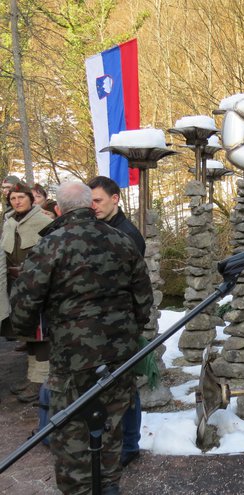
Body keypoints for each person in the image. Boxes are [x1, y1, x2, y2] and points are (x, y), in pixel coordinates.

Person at [10, 181, 153, 495]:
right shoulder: (122, 240)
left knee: (74, 442)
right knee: (111, 433)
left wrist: (27, 330)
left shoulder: (50, 245)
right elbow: (144, 300)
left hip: (73, 363)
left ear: (59, 209)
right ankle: (109, 487)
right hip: (118, 358)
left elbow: (24, 306)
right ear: (90, 205)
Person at [88, 175, 145, 468]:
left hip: (120, 326)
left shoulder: (127, 234)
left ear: (115, 199)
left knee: (125, 387)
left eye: (98, 200)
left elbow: (136, 287)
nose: (93, 205)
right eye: (90, 200)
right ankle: (117, 441)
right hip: (101, 326)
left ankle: (130, 444)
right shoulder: (98, 229)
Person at [0, 182, 53, 403]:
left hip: (37, 287)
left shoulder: (45, 222)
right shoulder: (10, 223)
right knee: (27, 333)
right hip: (15, 287)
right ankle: (32, 378)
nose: (17, 201)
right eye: (13, 198)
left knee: (41, 335)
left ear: (31, 199)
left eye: (21, 197)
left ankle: (40, 383)